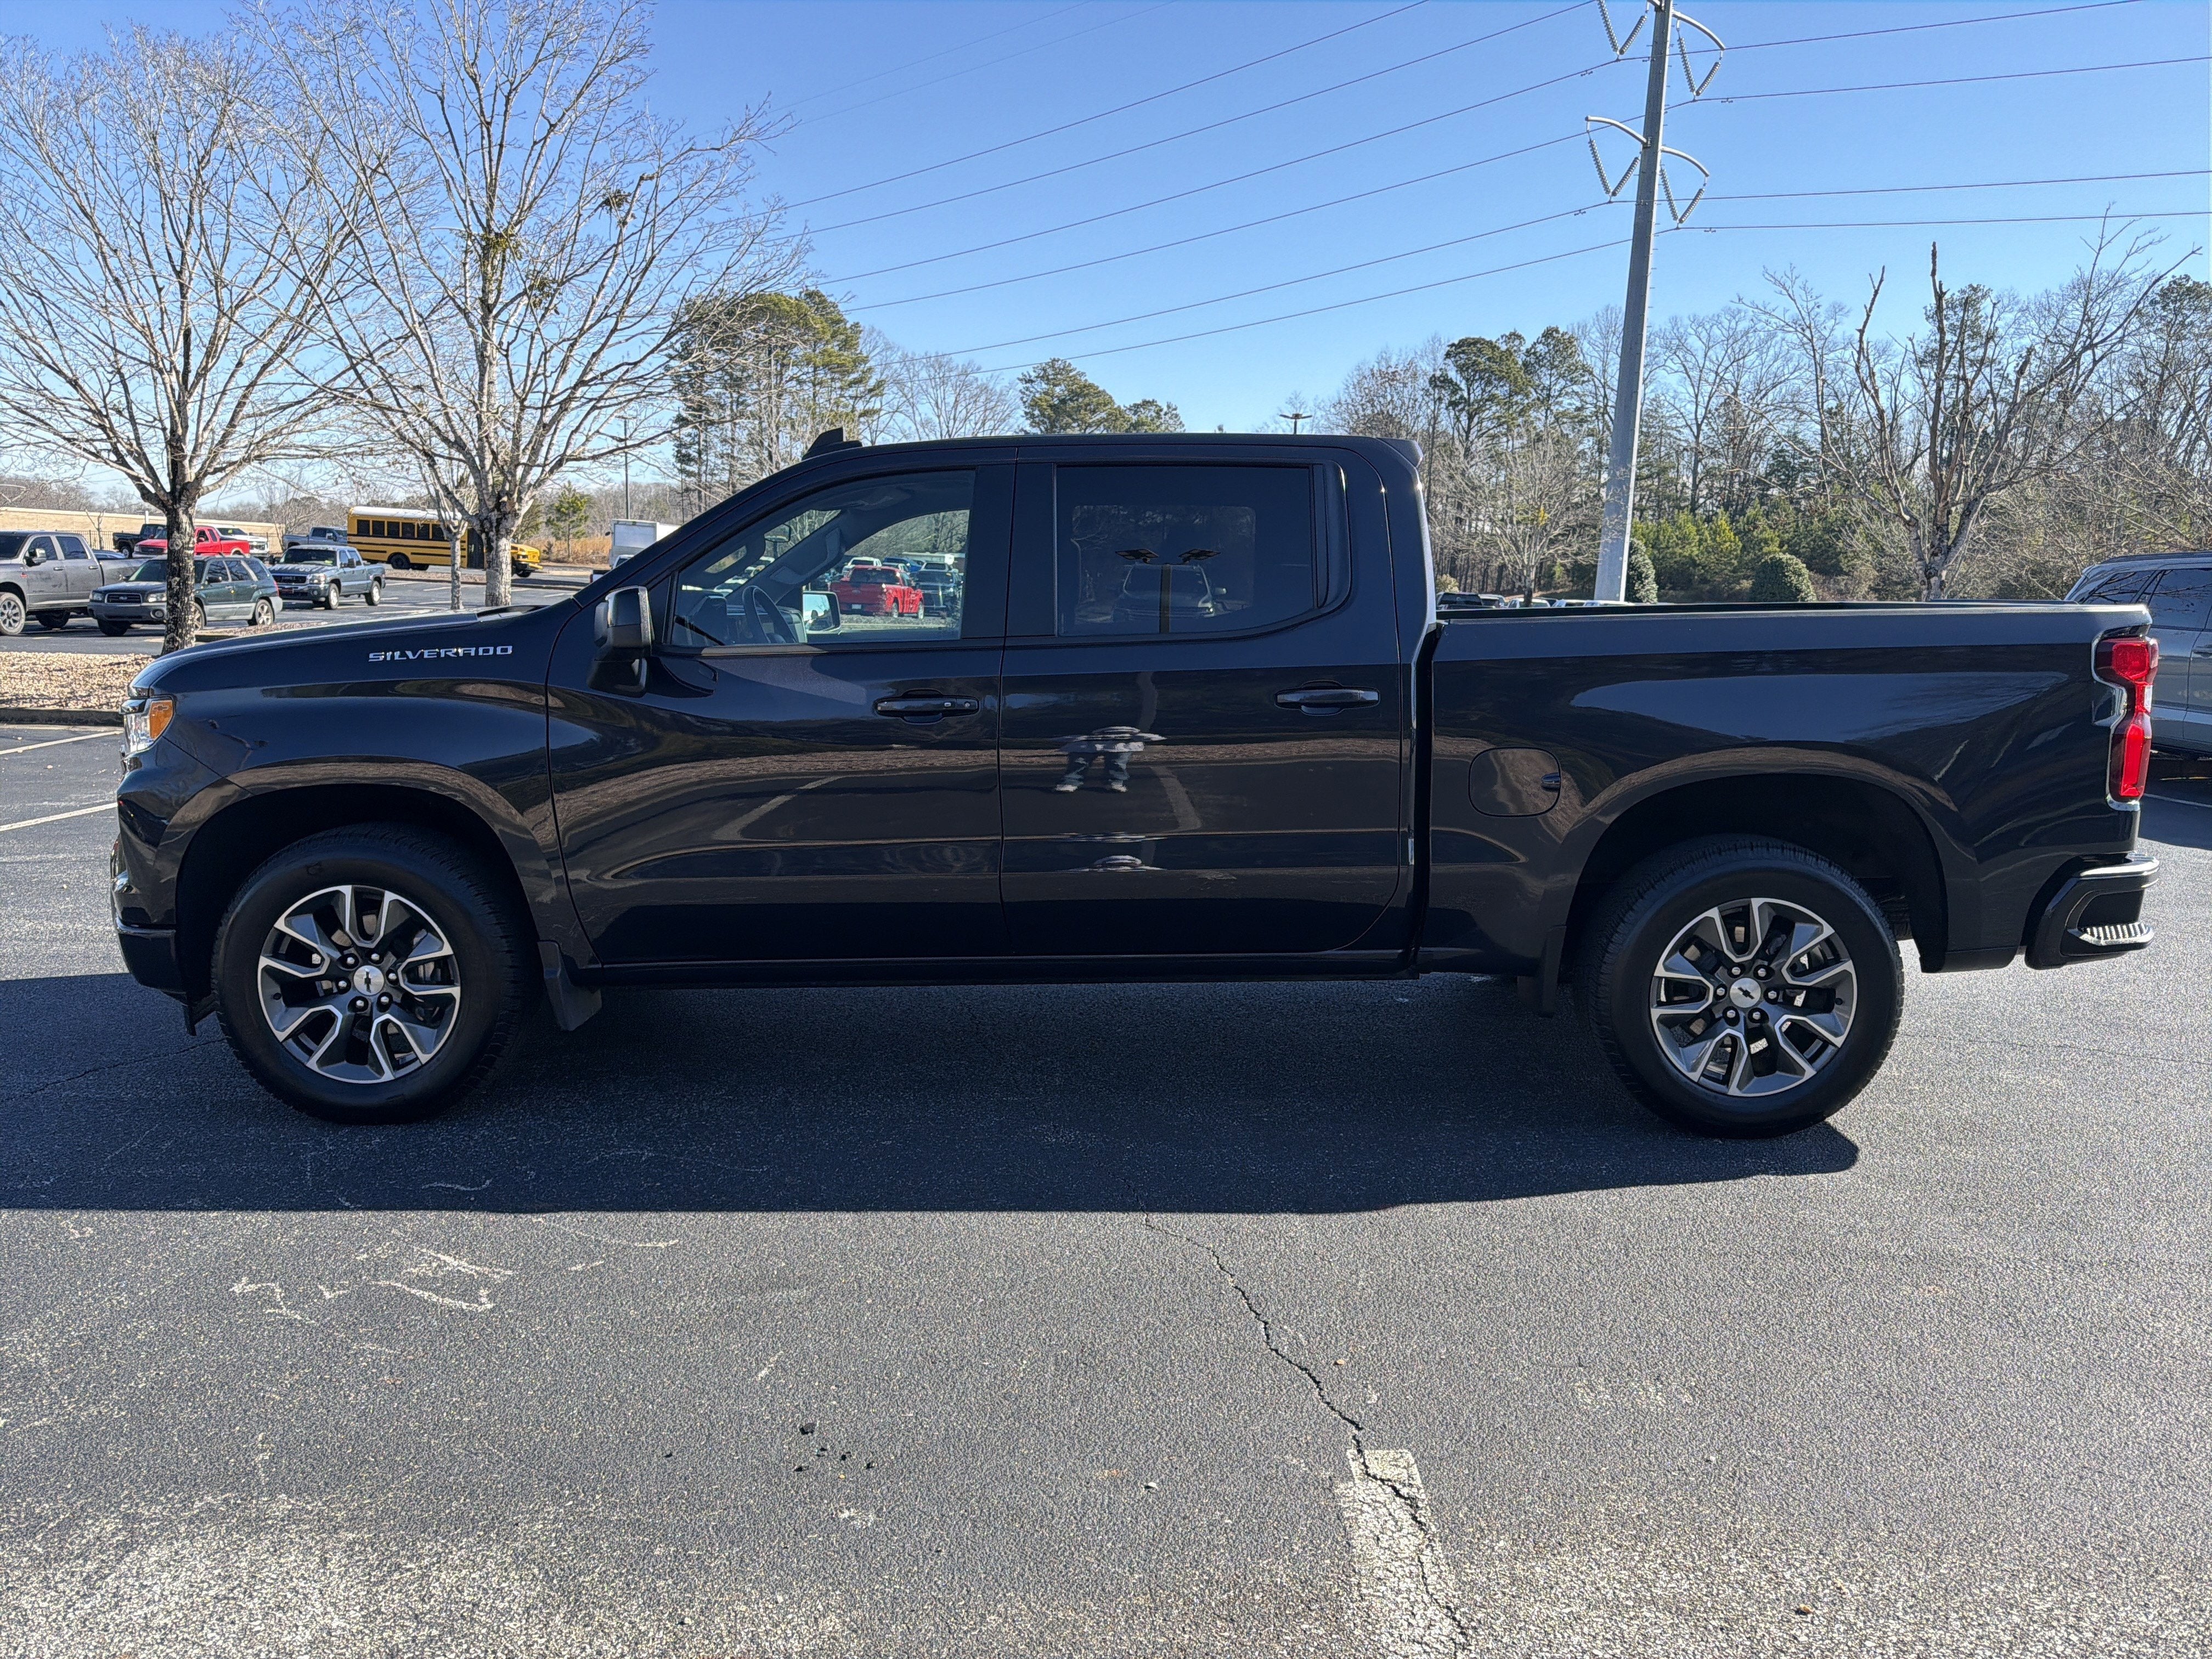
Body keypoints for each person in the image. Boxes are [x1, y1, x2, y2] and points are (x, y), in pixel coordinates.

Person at [1053, 725, 1159, 793]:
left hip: (1123, 732)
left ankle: (1115, 781)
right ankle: (1071, 781)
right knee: (1080, 760)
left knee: (1117, 761)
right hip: (1087, 732)